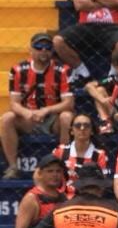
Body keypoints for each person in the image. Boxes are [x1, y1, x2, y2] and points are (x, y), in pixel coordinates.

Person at [2, 33, 74, 178]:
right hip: (28, 118)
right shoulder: (18, 70)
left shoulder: (63, 70)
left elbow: (69, 103)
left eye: (47, 48)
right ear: (31, 50)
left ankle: (64, 165)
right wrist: (26, 113)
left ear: (52, 51)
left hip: (53, 118)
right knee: (6, 118)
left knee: (67, 117)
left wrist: (46, 110)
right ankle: (13, 166)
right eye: (39, 47)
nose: (43, 51)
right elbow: (14, 103)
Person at [53, 114, 111, 191]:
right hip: (63, 198)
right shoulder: (60, 151)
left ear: (92, 131)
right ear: (71, 131)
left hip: (89, 198)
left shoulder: (100, 155)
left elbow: (103, 183)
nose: (82, 128)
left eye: (86, 125)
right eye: (78, 125)